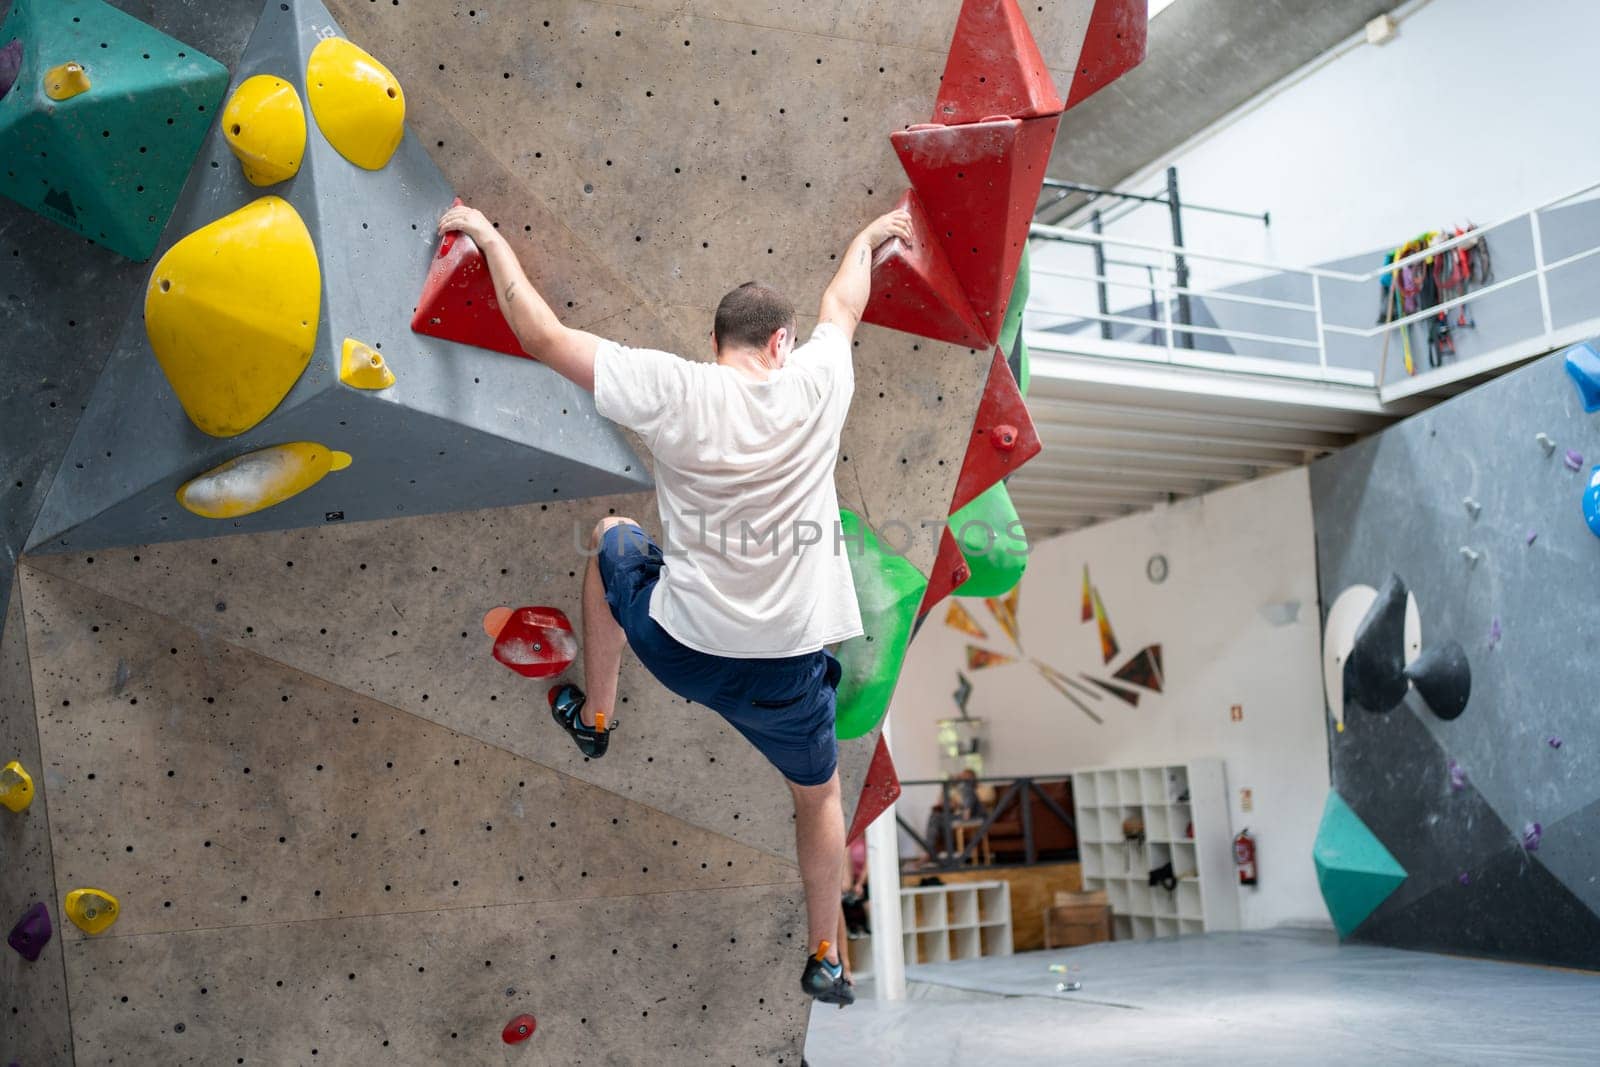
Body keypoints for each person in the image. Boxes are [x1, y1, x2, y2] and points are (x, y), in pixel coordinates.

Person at [437, 200, 915, 1009]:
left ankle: (595, 717)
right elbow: (846, 300)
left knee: (613, 541)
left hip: (683, 646)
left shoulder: (676, 388)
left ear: (715, 346)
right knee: (819, 798)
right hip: (785, 673)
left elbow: (543, 335)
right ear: (779, 343)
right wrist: (871, 235)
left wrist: (486, 236)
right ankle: (827, 953)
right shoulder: (820, 380)